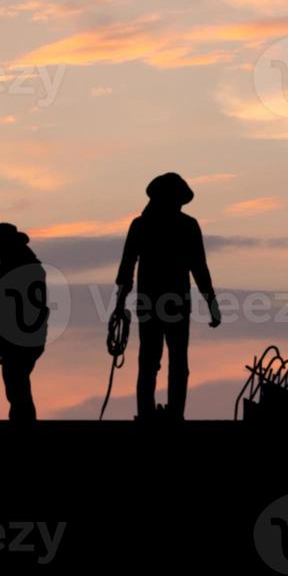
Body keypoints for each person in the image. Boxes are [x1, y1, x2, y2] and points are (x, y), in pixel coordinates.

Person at [115, 173, 221, 422]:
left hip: (160, 303)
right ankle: (165, 413)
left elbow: (127, 269)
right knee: (165, 361)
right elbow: (199, 268)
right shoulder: (180, 226)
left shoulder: (144, 225)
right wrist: (212, 304)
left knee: (157, 361)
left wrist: (212, 303)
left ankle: (161, 412)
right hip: (167, 303)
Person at [0, 223, 47, 423]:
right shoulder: (35, 270)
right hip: (32, 337)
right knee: (18, 384)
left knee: (16, 385)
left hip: (14, 338)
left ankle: (22, 423)